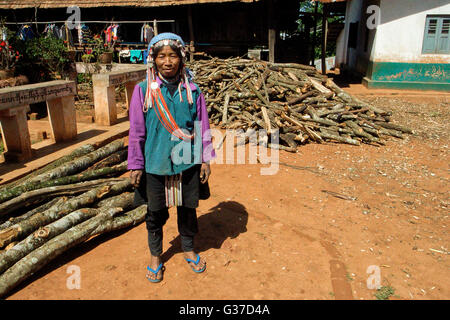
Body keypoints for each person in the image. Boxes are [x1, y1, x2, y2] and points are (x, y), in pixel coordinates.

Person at [127, 32, 215, 283]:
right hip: (155, 162)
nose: (167, 62)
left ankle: (188, 247)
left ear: (181, 59)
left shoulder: (193, 91)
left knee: (188, 208)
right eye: (161, 56)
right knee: (155, 212)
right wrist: (136, 164)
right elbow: (137, 130)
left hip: (187, 160)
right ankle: (156, 256)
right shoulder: (142, 91)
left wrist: (205, 158)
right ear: (152, 60)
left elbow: (202, 126)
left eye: (173, 56)